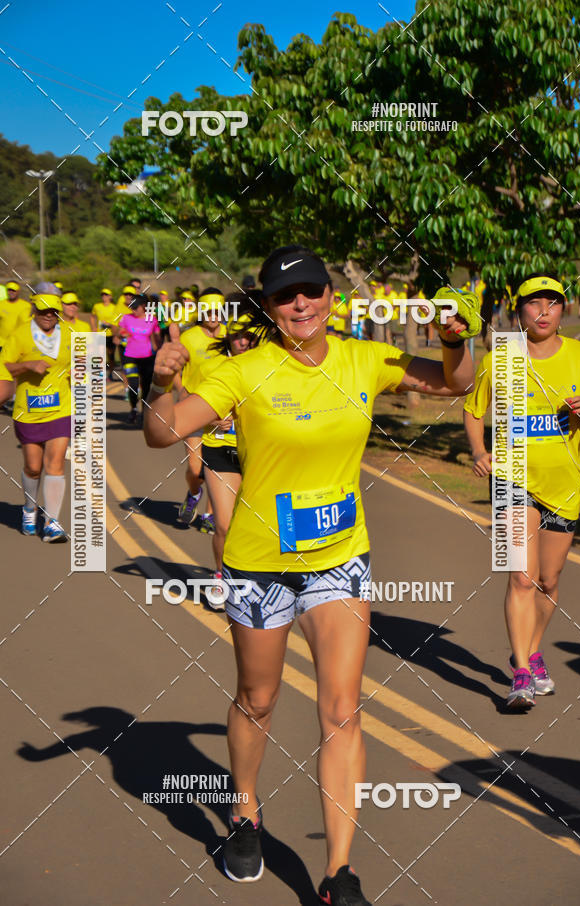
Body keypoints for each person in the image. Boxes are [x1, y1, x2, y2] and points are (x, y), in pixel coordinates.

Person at [144, 245, 476, 906]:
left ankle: (338, 874)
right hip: (260, 565)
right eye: (285, 296)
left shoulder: (363, 357)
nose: (301, 304)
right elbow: (162, 433)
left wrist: (453, 339)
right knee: (258, 699)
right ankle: (244, 810)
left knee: (342, 710)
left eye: (312, 290)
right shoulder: (245, 370)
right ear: (269, 307)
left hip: (339, 558)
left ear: (330, 295)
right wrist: (159, 384)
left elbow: (455, 383)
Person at [464, 273, 580, 710]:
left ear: (563, 309)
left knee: (548, 581)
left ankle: (531, 650)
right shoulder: (500, 357)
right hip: (512, 478)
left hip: (564, 484)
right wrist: (479, 451)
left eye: (553, 303)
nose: (544, 311)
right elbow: (474, 409)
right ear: (518, 310)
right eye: (534, 303)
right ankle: (521, 673)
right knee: (521, 577)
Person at [182, 309, 257, 602]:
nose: (243, 342)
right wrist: (212, 419)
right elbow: (191, 404)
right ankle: (220, 576)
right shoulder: (213, 367)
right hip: (220, 450)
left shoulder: (268, 368)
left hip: (259, 454)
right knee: (224, 524)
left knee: (256, 526)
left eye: (248, 337)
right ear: (228, 338)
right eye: (237, 336)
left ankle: (257, 577)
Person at [0, 287, 73, 541]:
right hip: (28, 410)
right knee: (33, 468)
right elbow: (5, 365)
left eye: (53, 311)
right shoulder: (20, 334)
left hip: (61, 409)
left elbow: (86, 363)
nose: (48, 315)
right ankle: (29, 510)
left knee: (55, 464)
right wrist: (27, 365)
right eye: (43, 311)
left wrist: (81, 372)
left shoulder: (70, 334)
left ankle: (52, 522)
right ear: (34, 310)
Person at [174, 288, 226, 530]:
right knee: (195, 469)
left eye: (217, 311)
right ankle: (194, 493)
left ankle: (209, 516)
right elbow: (175, 369)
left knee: (216, 468)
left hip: (222, 412)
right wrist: (181, 391)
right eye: (209, 311)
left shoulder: (231, 336)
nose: (213, 315)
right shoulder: (189, 337)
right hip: (194, 409)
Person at [119, 294, 160, 425]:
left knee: (146, 386)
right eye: (132, 307)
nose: (133, 310)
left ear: (143, 306)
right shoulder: (126, 318)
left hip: (147, 357)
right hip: (130, 356)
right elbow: (120, 332)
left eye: (136, 307)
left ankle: (144, 412)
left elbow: (156, 338)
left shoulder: (152, 319)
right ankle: (133, 409)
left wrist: (158, 351)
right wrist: (122, 335)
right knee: (133, 385)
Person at [91, 289, 118, 375]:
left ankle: (110, 374)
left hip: (111, 334)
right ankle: (101, 374)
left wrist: (109, 324)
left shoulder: (115, 307)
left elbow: (117, 320)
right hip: (100, 334)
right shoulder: (97, 306)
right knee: (100, 353)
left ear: (110, 296)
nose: (104, 297)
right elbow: (92, 316)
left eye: (106, 295)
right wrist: (93, 327)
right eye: (102, 295)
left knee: (111, 355)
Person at [0, 281, 31, 352]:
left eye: (13, 290)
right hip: (2, 343)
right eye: (9, 290)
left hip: (19, 344)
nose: (11, 292)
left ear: (18, 291)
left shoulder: (26, 306)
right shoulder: (1, 304)